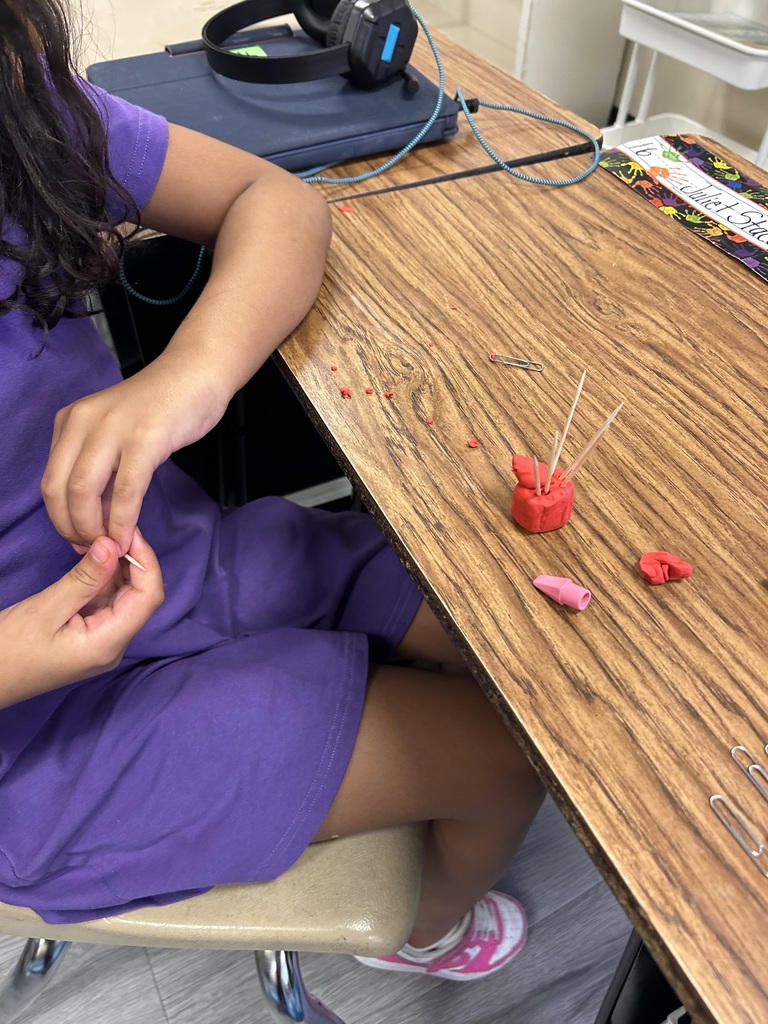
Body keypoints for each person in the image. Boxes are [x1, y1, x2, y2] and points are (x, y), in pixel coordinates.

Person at [0, 0, 545, 981]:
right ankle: (429, 926)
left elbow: (277, 202)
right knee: (514, 752)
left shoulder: (19, 107)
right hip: (39, 751)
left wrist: (188, 373)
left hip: (187, 560)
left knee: (514, 635)